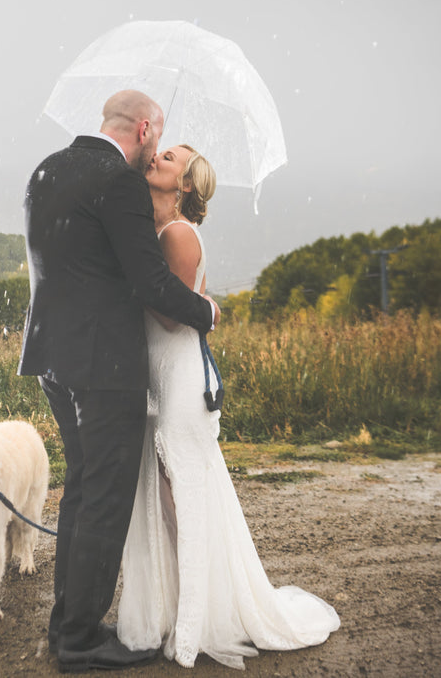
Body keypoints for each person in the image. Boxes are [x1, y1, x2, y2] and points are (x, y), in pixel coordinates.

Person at [116, 144, 341, 669]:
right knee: (167, 494)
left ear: (186, 185)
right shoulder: (157, 232)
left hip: (179, 378)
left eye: (168, 158)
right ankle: (176, 611)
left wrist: (129, 276)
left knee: (180, 496)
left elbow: (171, 316)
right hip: (159, 373)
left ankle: (193, 623)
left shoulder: (175, 234)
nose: (156, 158)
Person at [18, 90, 220, 672]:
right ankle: (80, 639)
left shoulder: (47, 168)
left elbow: (63, 264)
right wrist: (207, 313)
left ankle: (67, 624)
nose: (156, 150)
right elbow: (149, 286)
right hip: (104, 364)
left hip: (52, 357)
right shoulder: (119, 181)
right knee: (105, 499)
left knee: (82, 490)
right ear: (145, 129)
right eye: (158, 138)